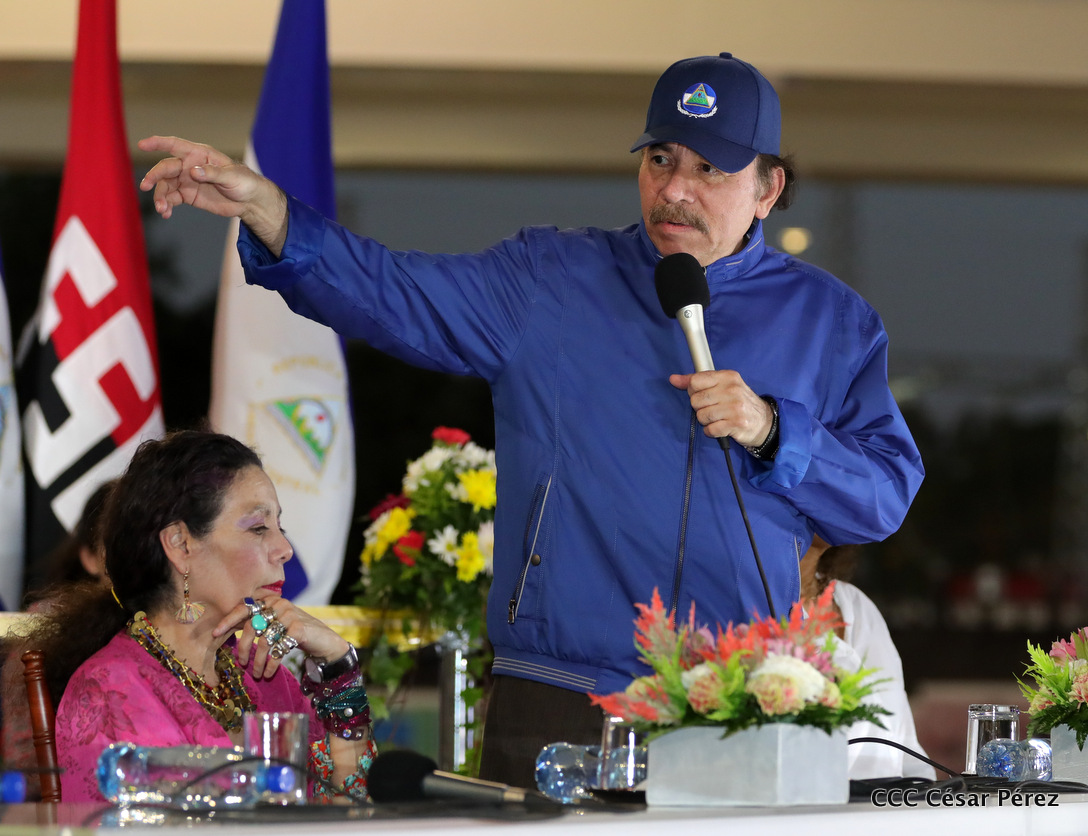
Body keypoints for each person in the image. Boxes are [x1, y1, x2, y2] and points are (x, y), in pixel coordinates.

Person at [138, 52, 924, 787]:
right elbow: (394, 292)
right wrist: (272, 214)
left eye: (710, 170)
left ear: (768, 189)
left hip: (739, 709)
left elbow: (883, 496)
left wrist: (773, 431)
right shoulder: (553, 278)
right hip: (558, 699)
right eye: (661, 160)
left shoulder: (834, 323)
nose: (676, 190)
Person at [20, 431, 375, 802]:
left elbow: (352, 807)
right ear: (180, 544)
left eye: (279, 528)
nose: (285, 549)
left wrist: (338, 664)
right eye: (258, 528)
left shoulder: (264, 677)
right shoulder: (109, 689)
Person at [0, 479, 114, 796]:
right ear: (90, 558)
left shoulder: (190, 618)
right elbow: (26, 757)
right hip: (67, 799)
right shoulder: (47, 626)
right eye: (121, 544)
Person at [800, 536, 936, 780]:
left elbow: (903, 745)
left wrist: (927, 792)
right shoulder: (748, 604)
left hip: (889, 802)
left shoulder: (856, 604)